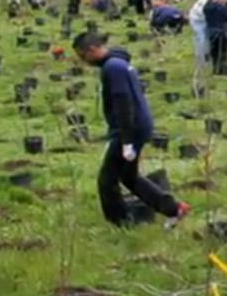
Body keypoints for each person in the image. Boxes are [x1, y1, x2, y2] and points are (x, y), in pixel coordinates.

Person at [74, 32, 190, 227]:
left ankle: (120, 223)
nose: (83, 62)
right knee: (128, 176)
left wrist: (126, 140)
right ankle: (174, 209)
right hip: (138, 126)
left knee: (107, 180)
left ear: (92, 49)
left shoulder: (112, 68)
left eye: (82, 56)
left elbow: (123, 101)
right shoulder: (119, 63)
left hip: (130, 128)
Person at [202, 0, 227, 75]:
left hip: (210, 32)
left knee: (214, 52)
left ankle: (215, 68)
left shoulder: (206, 7)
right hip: (220, 32)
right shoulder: (221, 7)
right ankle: (222, 69)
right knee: (222, 51)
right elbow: (226, 19)